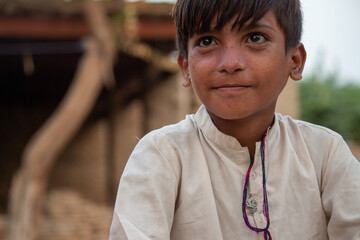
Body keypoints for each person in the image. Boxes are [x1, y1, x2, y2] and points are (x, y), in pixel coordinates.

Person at [109, 0, 360, 239]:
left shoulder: (325, 154)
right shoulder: (161, 156)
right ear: (185, 67)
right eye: (207, 41)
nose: (230, 63)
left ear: (294, 61)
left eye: (255, 38)